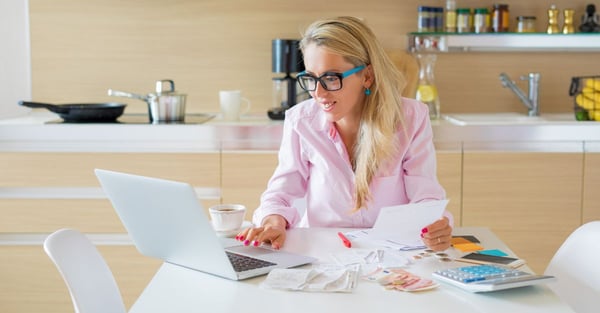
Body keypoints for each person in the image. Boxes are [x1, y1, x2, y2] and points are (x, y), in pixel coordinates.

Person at [237, 16, 452, 251]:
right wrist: (273, 222)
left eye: (331, 78)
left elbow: (426, 196)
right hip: (323, 253)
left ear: (367, 76)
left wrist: (434, 225)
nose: (318, 93)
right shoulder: (301, 121)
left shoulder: (410, 118)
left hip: (389, 254)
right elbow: (280, 194)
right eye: (310, 78)